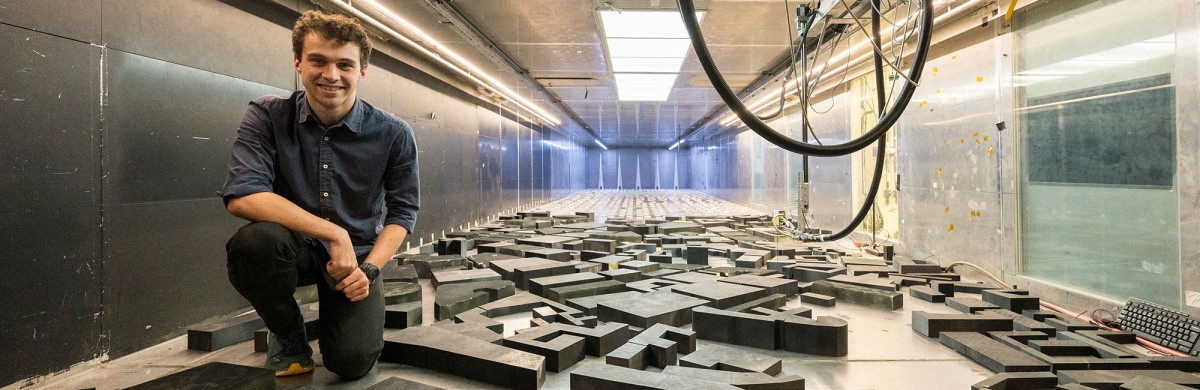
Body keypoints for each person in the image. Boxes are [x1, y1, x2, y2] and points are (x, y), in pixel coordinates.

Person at [219, 10, 419, 378]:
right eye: (318, 61)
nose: (331, 75)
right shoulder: (266, 116)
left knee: (351, 363)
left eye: (344, 64)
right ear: (298, 62)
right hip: (294, 249)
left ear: (362, 70)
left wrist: (370, 269)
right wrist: (333, 232)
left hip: (356, 259)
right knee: (254, 245)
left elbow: (403, 213)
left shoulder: (394, 134)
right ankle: (288, 334)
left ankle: (346, 326)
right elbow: (243, 195)